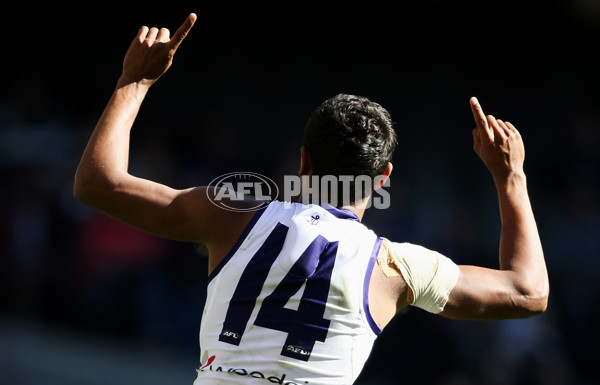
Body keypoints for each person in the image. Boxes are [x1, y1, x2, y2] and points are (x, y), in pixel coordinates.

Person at [73, 12, 549, 385]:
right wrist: (511, 177)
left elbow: (96, 184)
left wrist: (134, 82)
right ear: (383, 178)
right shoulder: (396, 268)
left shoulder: (231, 217)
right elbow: (529, 292)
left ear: (302, 162)